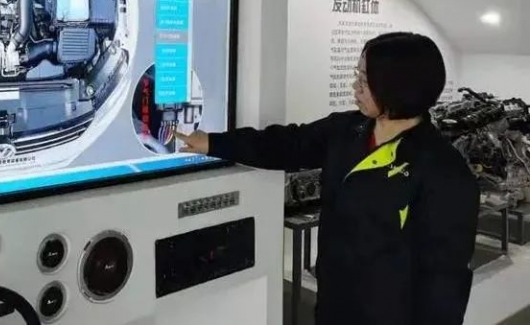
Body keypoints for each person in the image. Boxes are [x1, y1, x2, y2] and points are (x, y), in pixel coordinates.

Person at [176, 32, 480, 325]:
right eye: (358, 75)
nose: (355, 86)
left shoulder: (443, 170)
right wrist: (214, 143)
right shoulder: (347, 130)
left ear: (397, 86)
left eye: (365, 79)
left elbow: (445, 280)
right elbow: (286, 144)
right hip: (336, 304)